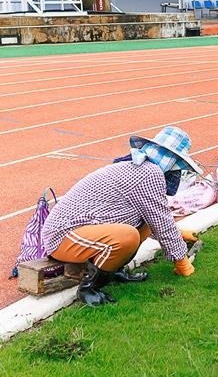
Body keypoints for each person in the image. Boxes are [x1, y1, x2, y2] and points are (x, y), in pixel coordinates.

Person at [42, 127, 202, 307]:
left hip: (80, 232)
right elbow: (162, 222)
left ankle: (113, 270)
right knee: (128, 236)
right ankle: (90, 287)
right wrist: (182, 260)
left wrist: (178, 234)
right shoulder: (150, 173)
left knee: (144, 224)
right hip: (62, 236)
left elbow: (157, 217)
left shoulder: (140, 167)